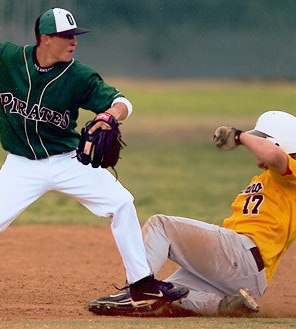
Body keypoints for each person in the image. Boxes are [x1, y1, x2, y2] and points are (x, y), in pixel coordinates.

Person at [0, 8, 188, 311]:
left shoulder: (79, 76)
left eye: (75, 36)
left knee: (122, 202)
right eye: (66, 36)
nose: (73, 42)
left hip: (68, 162)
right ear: (45, 39)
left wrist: (109, 115)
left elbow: (121, 101)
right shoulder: (9, 59)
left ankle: (141, 285)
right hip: (20, 166)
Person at [88, 110, 296, 317]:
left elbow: (274, 155)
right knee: (164, 293)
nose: (254, 146)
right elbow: (272, 155)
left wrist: (239, 136)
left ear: (279, 143)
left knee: (160, 225)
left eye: (260, 139)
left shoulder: (290, 173)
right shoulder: (268, 177)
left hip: (242, 255)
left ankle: (135, 291)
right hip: (246, 278)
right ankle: (226, 305)